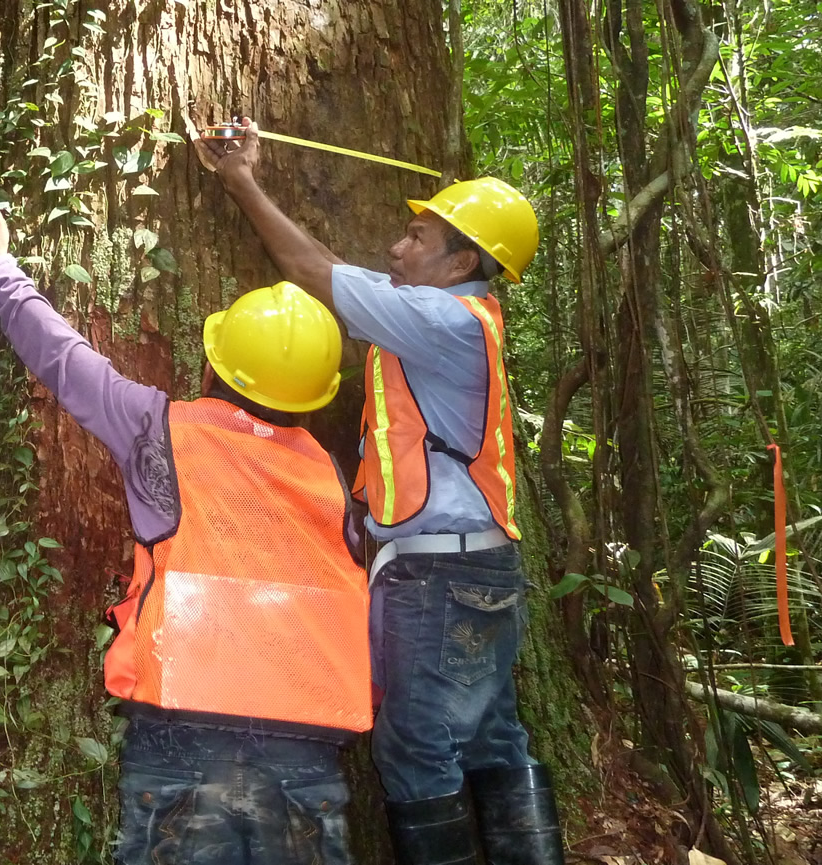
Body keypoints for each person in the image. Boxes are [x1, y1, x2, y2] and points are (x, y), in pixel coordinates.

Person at [196, 120, 563, 865]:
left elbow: (308, 265)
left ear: (462, 260)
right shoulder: (471, 320)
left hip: (439, 577)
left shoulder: (440, 319)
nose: (397, 248)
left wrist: (240, 178)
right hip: (479, 565)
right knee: (493, 738)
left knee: (414, 747)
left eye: (416, 237)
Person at [0, 201, 372, 865]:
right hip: (308, 732)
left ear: (213, 365)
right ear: (313, 397)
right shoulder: (329, 474)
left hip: (183, 720)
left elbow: (64, 360)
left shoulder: (158, 428)